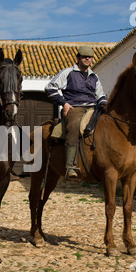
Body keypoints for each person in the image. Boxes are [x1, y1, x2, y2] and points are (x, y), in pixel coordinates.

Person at [45, 46, 107, 179]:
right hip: (74, 108)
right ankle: (70, 166)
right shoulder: (68, 73)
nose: (87, 59)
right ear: (78, 58)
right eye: (84, 57)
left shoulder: (94, 76)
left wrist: (104, 105)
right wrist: (64, 103)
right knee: (74, 126)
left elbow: (100, 95)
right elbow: (50, 87)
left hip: (93, 107)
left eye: (89, 57)